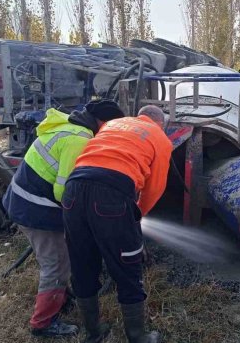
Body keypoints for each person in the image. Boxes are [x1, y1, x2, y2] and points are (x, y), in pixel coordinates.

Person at [2, 100, 124, 338]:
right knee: (56, 264)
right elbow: (64, 192)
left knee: (61, 257)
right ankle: (43, 323)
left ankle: (60, 297)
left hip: (27, 200)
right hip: (35, 209)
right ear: (103, 122)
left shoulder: (71, 125)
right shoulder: (79, 139)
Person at [62, 105, 172, 343]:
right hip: (111, 195)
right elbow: (155, 189)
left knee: (82, 263)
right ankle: (138, 336)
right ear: (160, 123)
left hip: (72, 191)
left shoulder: (112, 125)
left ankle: (93, 332)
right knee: (128, 266)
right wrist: (135, 215)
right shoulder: (160, 138)